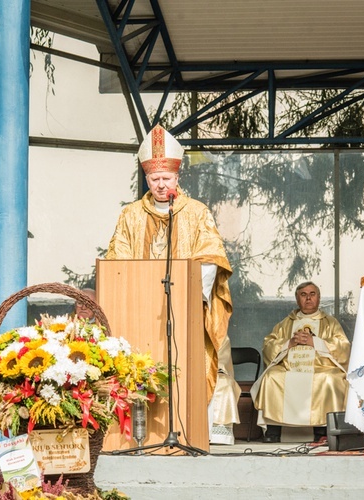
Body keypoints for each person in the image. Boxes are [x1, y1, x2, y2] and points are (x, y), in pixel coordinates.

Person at [105, 124, 240, 445]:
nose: (161, 184)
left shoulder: (195, 213)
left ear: (178, 178)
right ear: (147, 179)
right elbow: (116, 262)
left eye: (166, 178)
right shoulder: (131, 215)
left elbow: (211, 259)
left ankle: (188, 433)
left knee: (187, 366)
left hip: (184, 312)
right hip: (140, 312)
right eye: (155, 179)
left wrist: (193, 296)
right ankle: (139, 438)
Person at [251, 281, 351, 443]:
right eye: (303, 295)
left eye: (312, 294)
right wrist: (288, 344)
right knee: (272, 377)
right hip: (289, 368)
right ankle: (273, 431)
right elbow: (269, 345)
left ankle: (323, 431)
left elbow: (343, 347)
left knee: (330, 379)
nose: (308, 298)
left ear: (318, 298)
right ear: (297, 299)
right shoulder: (286, 323)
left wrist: (316, 342)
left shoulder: (330, 322)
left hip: (320, 368)